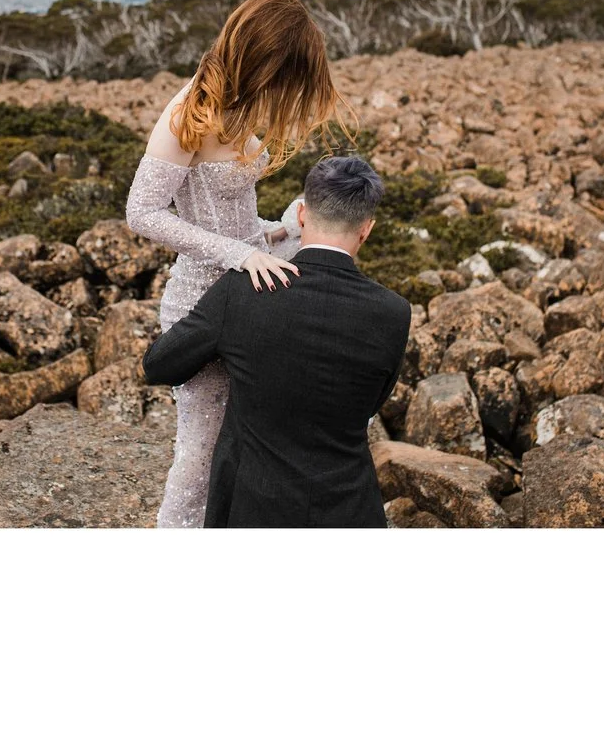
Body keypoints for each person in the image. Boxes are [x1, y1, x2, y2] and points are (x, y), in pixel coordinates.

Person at [125, 0, 342, 528]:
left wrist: (277, 231)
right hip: (203, 305)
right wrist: (237, 252)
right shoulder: (187, 113)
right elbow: (142, 212)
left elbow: (233, 217)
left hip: (250, 281)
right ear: (262, 57)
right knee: (198, 458)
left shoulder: (241, 103)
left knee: (247, 443)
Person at [142, 155, 410, 527]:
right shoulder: (395, 313)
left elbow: (159, 365)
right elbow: (371, 403)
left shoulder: (243, 289)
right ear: (367, 229)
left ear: (301, 215)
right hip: (350, 512)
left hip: (249, 508)